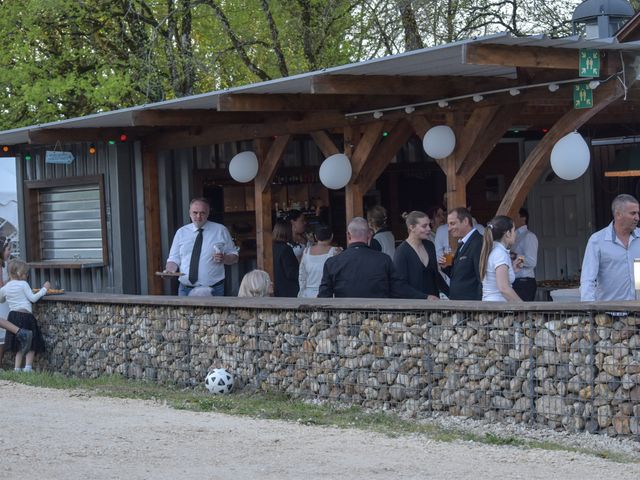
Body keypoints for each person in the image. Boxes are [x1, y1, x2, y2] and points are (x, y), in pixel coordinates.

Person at [318, 217, 425, 299]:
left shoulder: (332, 263)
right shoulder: (384, 260)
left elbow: (323, 296)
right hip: (377, 321)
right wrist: (425, 297)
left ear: (348, 235)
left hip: (344, 321)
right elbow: (399, 289)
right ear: (369, 235)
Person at [165, 198, 238, 297]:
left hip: (213, 290)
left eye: (202, 213)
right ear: (189, 213)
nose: (198, 216)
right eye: (195, 213)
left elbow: (234, 256)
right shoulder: (181, 232)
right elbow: (174, 258)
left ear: (208, 213)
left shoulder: (220, 230)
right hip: (185, 289)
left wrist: (225, 258)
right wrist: (170, 270)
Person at [580, 194, 640, 301]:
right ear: (618, 214)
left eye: (638, 213)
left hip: (637, 310)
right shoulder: (597, 240)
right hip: (609, 312)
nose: (637, 218)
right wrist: (589, 309)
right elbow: (588, 279)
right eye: (633, 213)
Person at [0, 260, 49, 372]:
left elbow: (1, 299)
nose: (27, 276)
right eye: (25, 273)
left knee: (18, 343)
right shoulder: (23, 284)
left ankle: (17, 368)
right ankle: (28, 367)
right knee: (30, 341)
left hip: (13, 317)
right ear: (18, 273)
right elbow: (33, 298)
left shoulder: (6, 287)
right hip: (26, 316)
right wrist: (44, 289)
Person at [394, 211, 446, 300]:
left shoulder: (430, 246)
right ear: (412, 227)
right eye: (424, 226)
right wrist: (425, 297)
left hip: (434, 305)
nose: (429, 229)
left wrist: (451, 294)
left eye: (429, 225)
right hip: (414, 308)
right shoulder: (401, 252)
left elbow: (435, 276)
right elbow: (400, 286)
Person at [440, 207, 483, 300]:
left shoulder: (478, 243)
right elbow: (460, 276)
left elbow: (481, 278)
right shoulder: (462, 243)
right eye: (448, 225)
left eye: (452, 224)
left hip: (471, 306)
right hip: (460, 304)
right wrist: (446, 266)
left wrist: (479, 306)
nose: (449, 229)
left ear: (465, 221)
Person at [479, 216, 523, 302]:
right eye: (514, 230)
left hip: (491, 305)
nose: (515, 234)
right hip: (498, 308)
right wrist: (523, 306)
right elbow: (503, 288)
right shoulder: (500, 253)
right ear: (507, 233)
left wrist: (511, 269)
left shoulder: (493, 250)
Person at [298, 224, 341, 298]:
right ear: (332, 236)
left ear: (315, 237)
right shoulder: (336, 252)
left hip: (307, 294)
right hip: (328, 295)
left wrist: (302, 292)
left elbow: (302, 276)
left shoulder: (306, 251)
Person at [511, 208, 539, 301]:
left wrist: (514, 256)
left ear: (523, 218)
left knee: (522, 314)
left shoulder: (529, 236)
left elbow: (531, 262)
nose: (512, 219)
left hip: (524, 282)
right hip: (514, 281)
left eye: (515, 216)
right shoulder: (513, 235)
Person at [272, 219, 299, 297]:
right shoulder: (286, 249)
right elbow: (290, 272)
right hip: (287, 290)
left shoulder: (271, 247)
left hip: (277, 288)